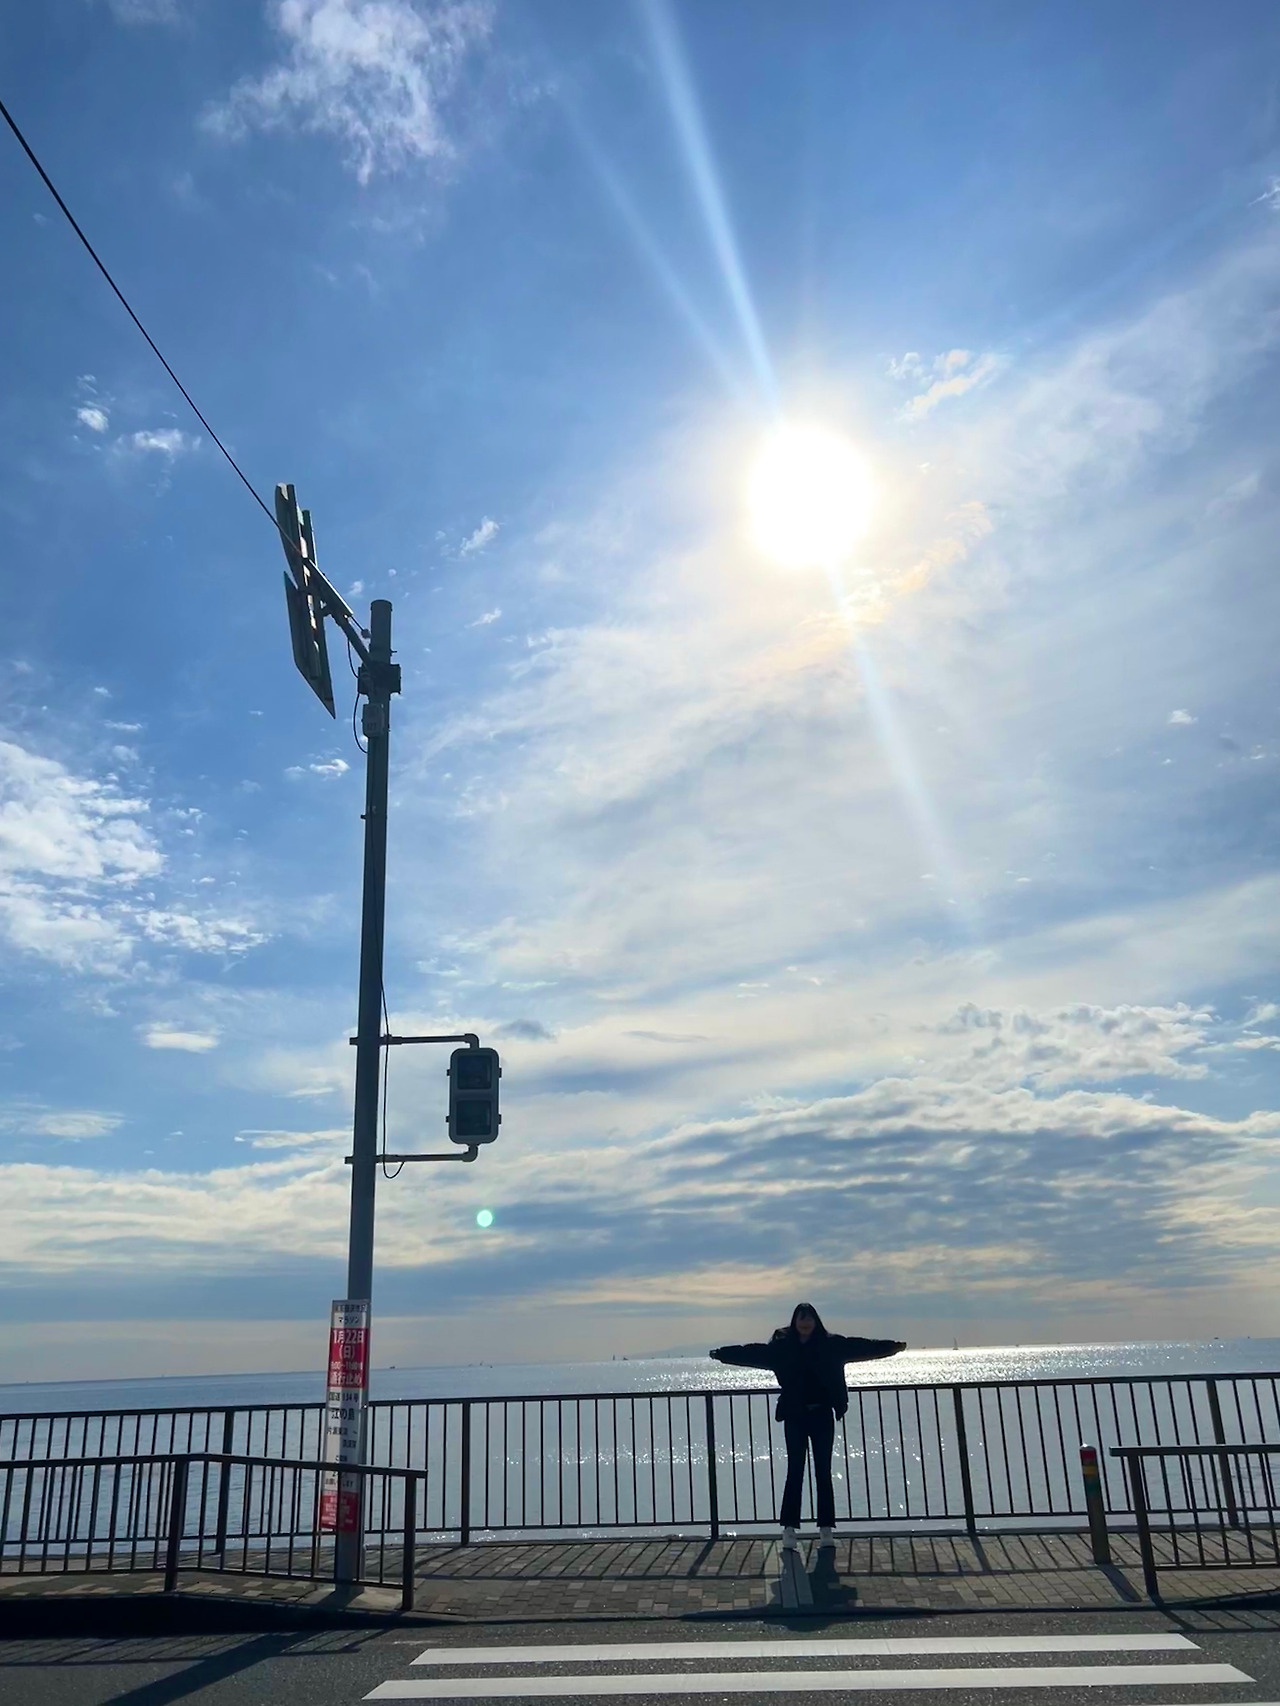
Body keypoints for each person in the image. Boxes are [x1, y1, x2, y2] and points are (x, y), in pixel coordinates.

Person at [710, 1303, 905, 1549]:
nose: (805, 1323)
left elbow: (863, 1347)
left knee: (823, 1472)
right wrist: (721, 1353)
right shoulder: (782, 1348)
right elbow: (750, 1353)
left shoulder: (831, 1345)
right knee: (795, 1470)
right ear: (794, 1322)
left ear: (816, 1321)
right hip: (795, 1416)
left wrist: (893, 1347)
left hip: (822, 1414)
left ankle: (826, 1530)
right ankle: (789, 1529)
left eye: (809, 1318)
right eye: (801, 1318)